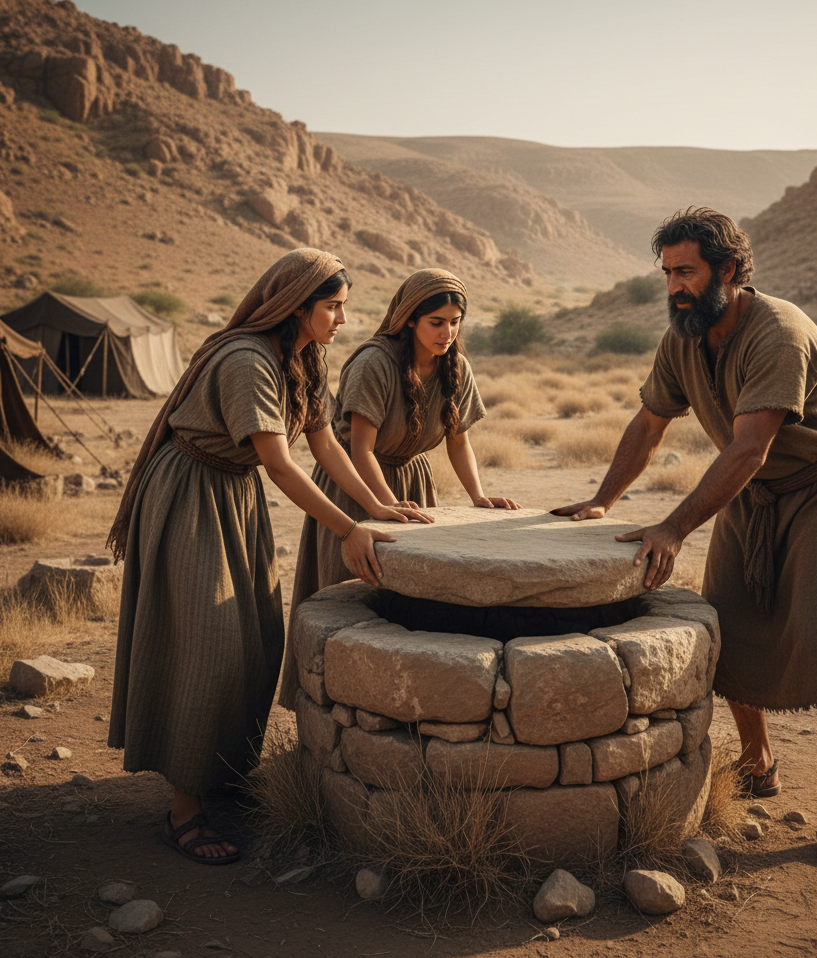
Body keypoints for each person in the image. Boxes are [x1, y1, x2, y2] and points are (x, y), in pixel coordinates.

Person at [553, 207, 817, 866]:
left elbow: (748, 448)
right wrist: (603, 500)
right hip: (752, 491)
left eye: (686, 272)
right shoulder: (683, 338)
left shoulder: (779, 333)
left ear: (729, 270)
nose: (674, 287)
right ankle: (759, 761)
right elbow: (649, 423)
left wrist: (674, 527)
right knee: (727, 625)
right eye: (667, 273)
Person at [107, 248, 428, 865]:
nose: (342, 318)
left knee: (253, 641)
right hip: (191, 495)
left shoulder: (304, 359)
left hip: (234, 494)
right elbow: (279, 463)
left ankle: (220, 774)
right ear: (295, 306)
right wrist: (347, 529)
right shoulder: (246, 360)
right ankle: (184, 811)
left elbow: (323, 444)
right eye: (333, 307)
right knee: (206, 646)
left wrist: (376, 506)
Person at [280, 268, 519, 705]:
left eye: (455, 322)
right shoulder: (374, 363)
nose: (447, 333)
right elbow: (361, 450)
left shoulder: (456, 367)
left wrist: (478, 496)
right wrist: (388, 509)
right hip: (354, 485)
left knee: (407, 605)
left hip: (412, 485)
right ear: (409, 318)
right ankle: (333, 707)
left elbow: (459, 440)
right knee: (349, 598)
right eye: (436, 322)